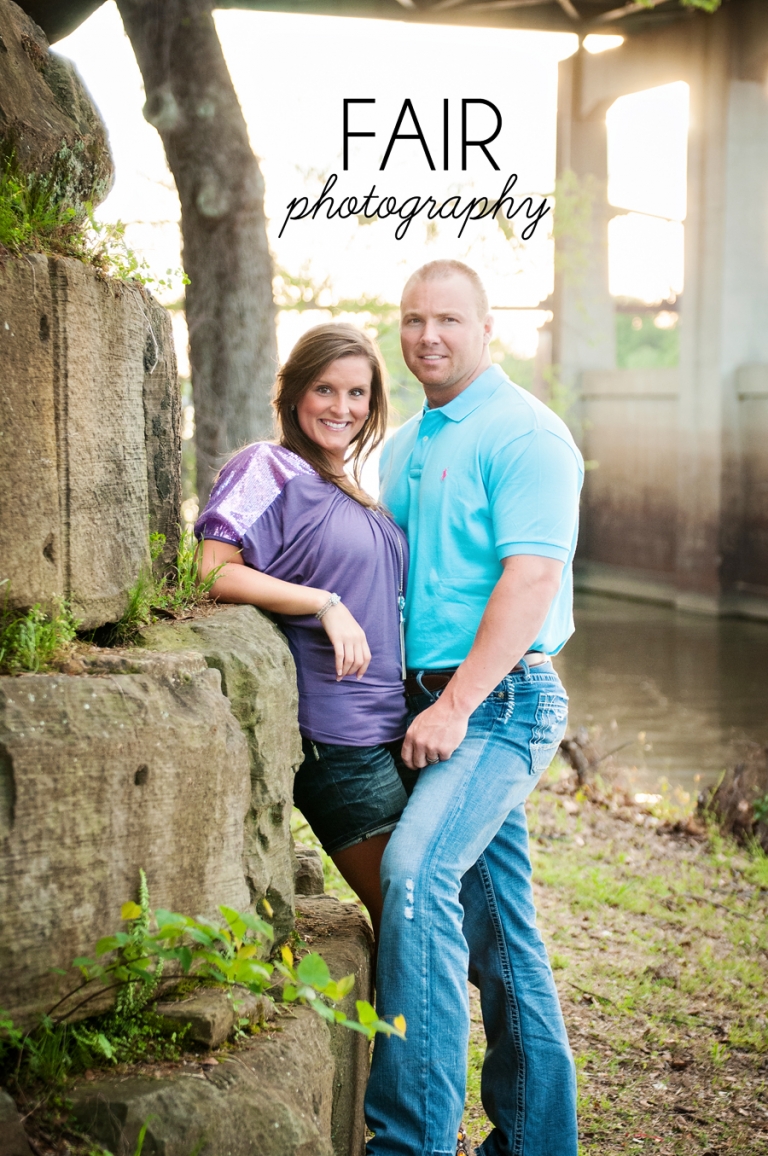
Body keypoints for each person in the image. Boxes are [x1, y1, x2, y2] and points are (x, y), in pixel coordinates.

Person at [365, 260, 583, 1156]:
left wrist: (455, 706)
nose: (428, 336)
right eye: (414, 319)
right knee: (502, 933)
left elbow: (531, 583)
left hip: (499, 701)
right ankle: (538, 1142)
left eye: (449, 320)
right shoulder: (404, 446)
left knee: (416, 876)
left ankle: (409, 1143)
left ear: (488, 329)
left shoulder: (526, 434)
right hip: (429, 706)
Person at [194, 323, 411, 944]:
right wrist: (323, 603)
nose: (342, 407)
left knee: (428, 911)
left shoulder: (352, 487)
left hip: (392, 725)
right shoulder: (267, 467)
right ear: (293, 394)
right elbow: (211, 569)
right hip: (336, 736)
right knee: (407, 912)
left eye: (357, 393)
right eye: (325, 389)